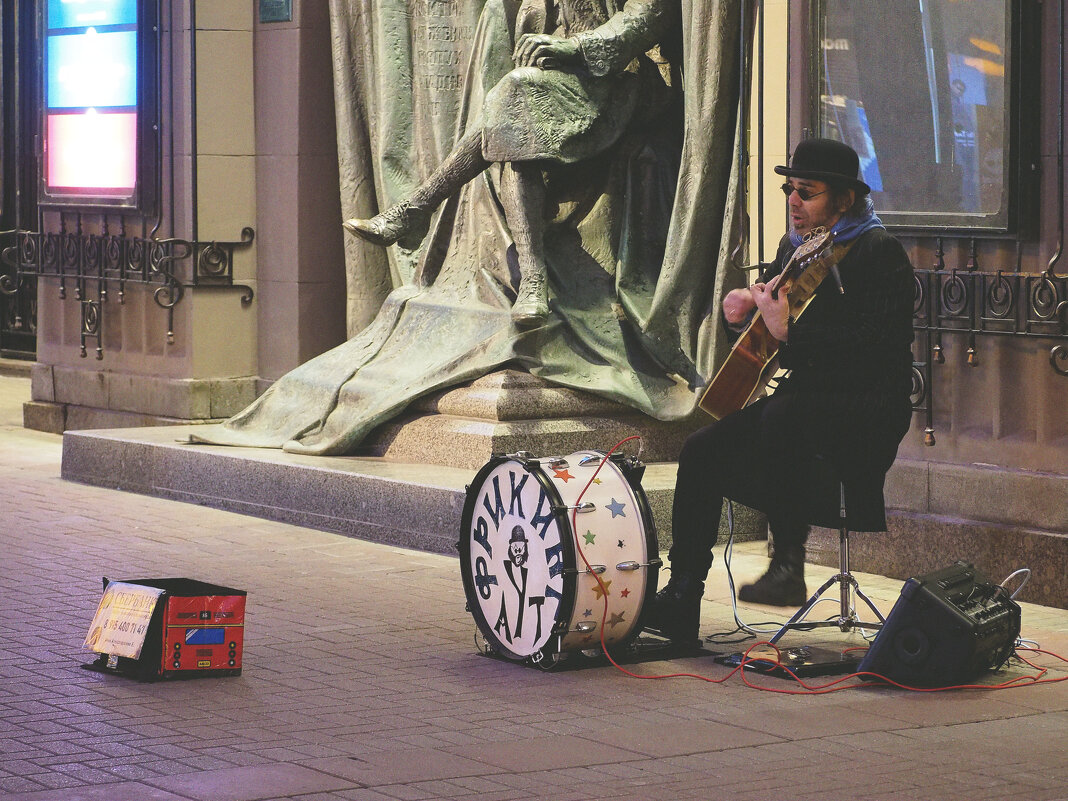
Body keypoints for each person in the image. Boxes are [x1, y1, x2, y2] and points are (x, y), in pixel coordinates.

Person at [648, 138, 916, 645]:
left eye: (807, 193)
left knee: (783, 418)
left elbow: (870, 348)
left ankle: (787, 564)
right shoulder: (794, 250)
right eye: (790, 190)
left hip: (866, 406)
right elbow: (768, 339)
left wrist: (791, 331)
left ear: (843, 200)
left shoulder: (880, 252)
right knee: (701, 449)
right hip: (809, 400)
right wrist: (741, 314)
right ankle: (682, 596)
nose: (793, 202)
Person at [343, 0, 678, 326]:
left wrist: (574, 47)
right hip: (552, 76)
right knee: (512, 126)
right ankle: (530, 279)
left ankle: (418, 209)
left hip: (618, 81)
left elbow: (647, 17)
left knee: (513, 96)